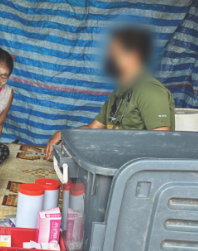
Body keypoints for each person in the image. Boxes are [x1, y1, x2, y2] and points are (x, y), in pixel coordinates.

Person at [45, 27, 175, 161]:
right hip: (115, 167)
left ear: (134, 55)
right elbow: (92, 128)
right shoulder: (118, 94)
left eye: (115, 52)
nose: (109, 57)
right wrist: (64, 135)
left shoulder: (151, 92)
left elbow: (161, 144)